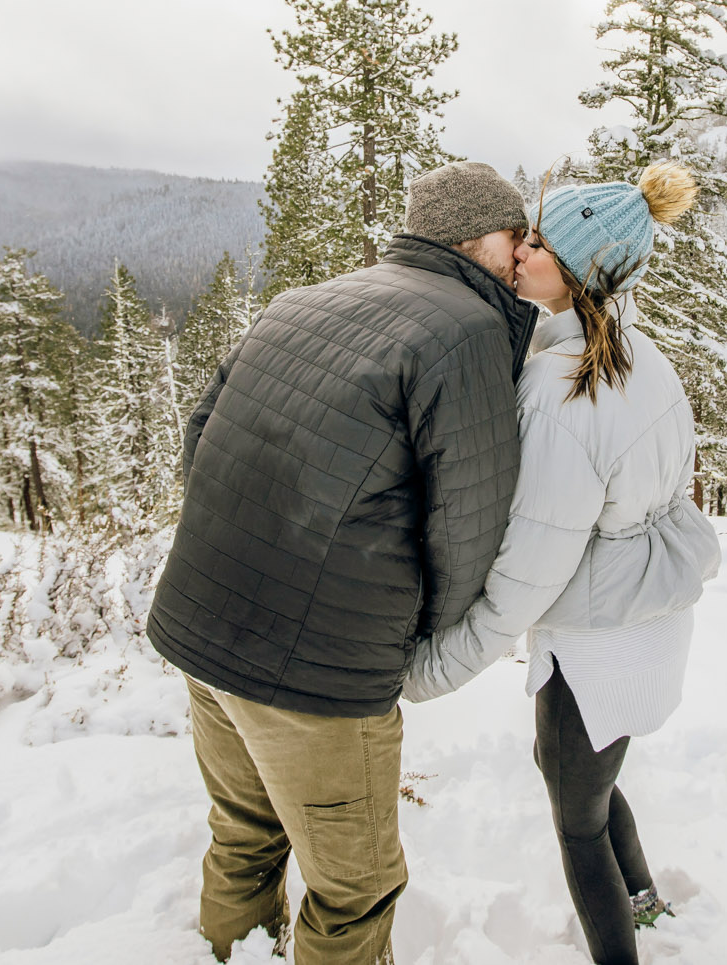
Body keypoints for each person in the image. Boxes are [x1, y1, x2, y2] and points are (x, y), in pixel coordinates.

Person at [147, 160, 538, 965]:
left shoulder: (302, 300)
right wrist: (409, 637)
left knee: (244, 841)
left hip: (199, 624)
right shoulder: (466, 329)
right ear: (477, 237)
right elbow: (467, 522)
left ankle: (226, 952)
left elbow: (200, 437)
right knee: (353, 889)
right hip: (315, 672)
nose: (523, 251)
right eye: (515, 234)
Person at [404, 162, 721, 965]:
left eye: (538, 242)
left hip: (598, 639)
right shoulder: (631, 354)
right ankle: (644, 897)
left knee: (575, 818)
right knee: (572, 767)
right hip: (640, 619)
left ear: (578, 270)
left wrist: (437, 665)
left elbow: (531, 567)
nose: (520, 251)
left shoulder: (565, 389)